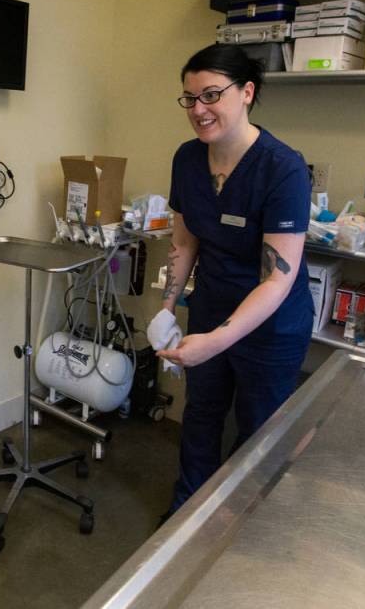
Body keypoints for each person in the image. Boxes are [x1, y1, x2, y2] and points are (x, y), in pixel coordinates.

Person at [153, 43, 314, 518]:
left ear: (246, 92)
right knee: (201, 413)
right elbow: (185, 242)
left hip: (272, 325)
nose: (198, 110)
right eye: (189, 98)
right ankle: (188, 511)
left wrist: (217, 341)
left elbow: (276, 282)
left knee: (259, 427)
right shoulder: (187, 159)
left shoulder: (282, 168)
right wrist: (165, 309)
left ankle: (241, 523)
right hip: (210, 306)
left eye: (210, 95)